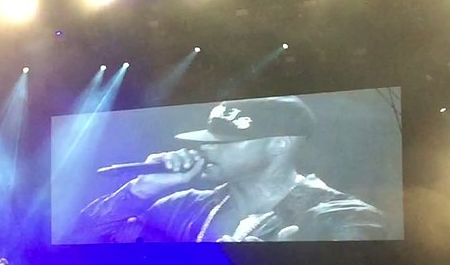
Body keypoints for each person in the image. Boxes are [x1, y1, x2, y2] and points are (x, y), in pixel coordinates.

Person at [74, 96, 386, 242]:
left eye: (227, 140)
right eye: (208, 139)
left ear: (280, 143)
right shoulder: (182, 206)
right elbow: (83, 239)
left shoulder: (344, 216)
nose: (206, 147)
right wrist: (141, 190)